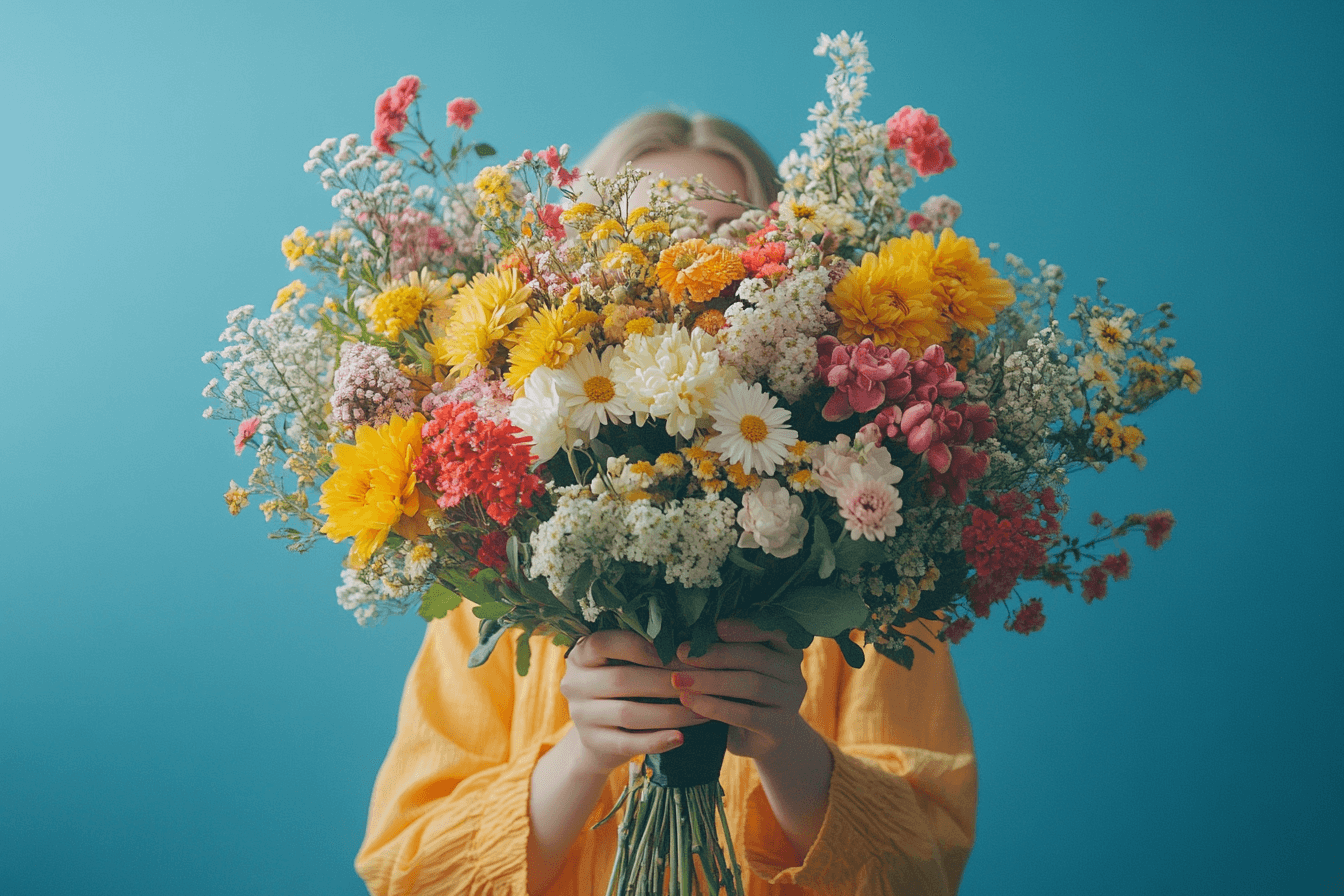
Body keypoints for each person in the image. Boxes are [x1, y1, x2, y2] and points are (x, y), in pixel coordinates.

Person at [354, 112, 978, 896]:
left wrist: (785, 741)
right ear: (576, 270)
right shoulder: (494, 555)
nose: (686, 262)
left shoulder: (876, 536)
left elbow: (926, 866)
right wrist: (583, 754)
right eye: (647, 228)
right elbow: (408, 870)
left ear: (785, 269)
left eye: (722, 231)